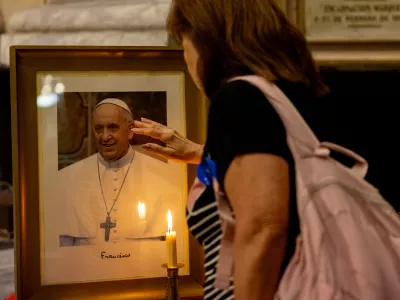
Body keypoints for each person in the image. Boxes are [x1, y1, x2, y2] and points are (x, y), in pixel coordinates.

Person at [131, 0, 334, 299]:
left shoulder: (240, 99)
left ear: (205, 42)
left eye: (184, 45)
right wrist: (200, 153)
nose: (186, 60)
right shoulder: (297, 93)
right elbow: (283, 169)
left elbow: (263, 229)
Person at [57, 98, 179, 247]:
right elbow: (64, 248)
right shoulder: (68, 178)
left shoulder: (161, 176)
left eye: (113, 127)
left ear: (130, 131)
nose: (105, 136)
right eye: (98, 129)